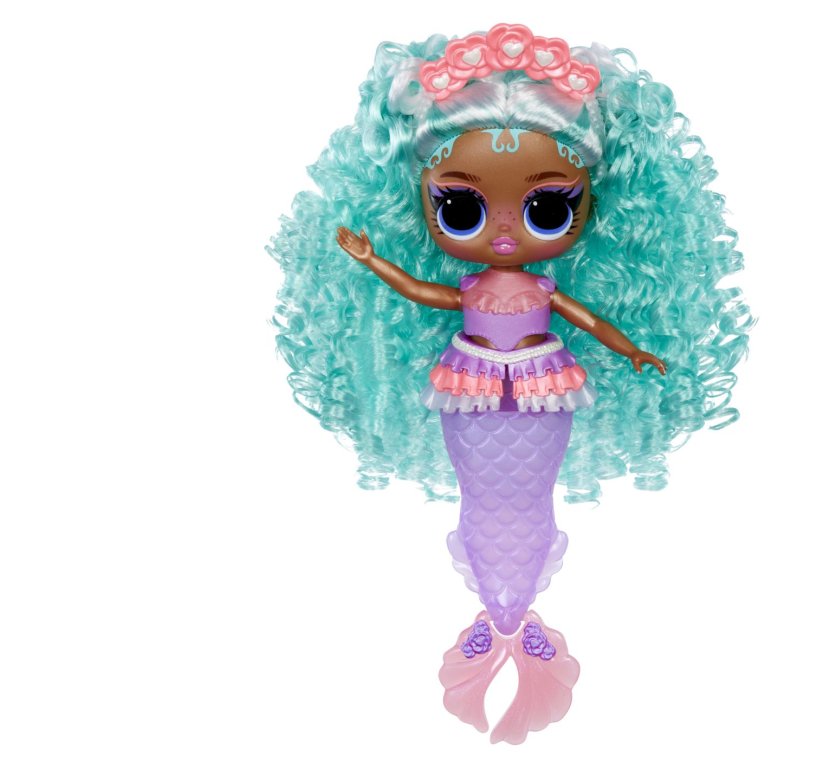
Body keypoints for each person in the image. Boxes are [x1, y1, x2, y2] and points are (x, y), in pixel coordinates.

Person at [270, 23, 750, 744]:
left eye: (546, 208)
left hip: (540, 389)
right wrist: (371, 261)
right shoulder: (470, 287)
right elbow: (423, 294)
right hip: (468, 388)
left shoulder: (544, 289)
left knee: (528, 490)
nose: (501, 233)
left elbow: (590, 319)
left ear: (594, 209)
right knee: (484, 491)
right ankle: (504, 614)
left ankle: (512, 613)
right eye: (460, 208)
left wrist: (634, 351)